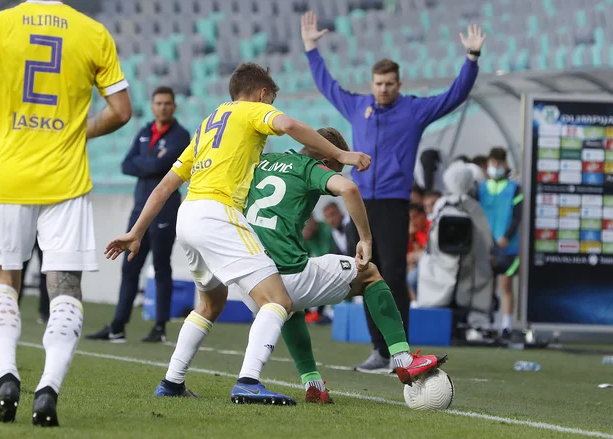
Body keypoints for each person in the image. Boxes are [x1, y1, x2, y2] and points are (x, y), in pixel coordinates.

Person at [103, 63, 370, 406]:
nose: (271, 105)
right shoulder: (251, 111)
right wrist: (339, 153)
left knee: (210, 303)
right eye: (270, 99)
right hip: (219, 215)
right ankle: (248, 381)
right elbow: (288, 125)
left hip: (189, 216)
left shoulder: (207, 126)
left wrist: (136, 231)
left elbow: (166, 185)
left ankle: (171, 382)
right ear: (262, 95)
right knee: (278, 301)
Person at [156, 127, 446, 403]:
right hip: (286, 273)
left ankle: (313, 383)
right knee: (368, 273)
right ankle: (402, 358)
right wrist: (365, 239)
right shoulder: (310, 168)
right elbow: (348, 190)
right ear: (325, 159)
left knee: (289, 307)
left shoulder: (263, 161)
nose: (334, 174)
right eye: (335, 167)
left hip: (247, 277)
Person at [301, 11, 485, 372]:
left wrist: (472, 59)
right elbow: (328, 85)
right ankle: (379, 352)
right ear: (372, 84)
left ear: (398, 84)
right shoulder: (357, 106)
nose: (383, 88)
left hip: (392, 204)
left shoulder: (414, 110)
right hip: (359, 202)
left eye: (389, 83)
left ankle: (400, 352)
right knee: (363, 274)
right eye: (378, 83)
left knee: (395, 277)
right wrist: (311, 48)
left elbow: (455, 95)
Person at [0, 0, 132, 426]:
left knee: (1, 280)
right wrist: (75, 131)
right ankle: (48, 389)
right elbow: (121, 111)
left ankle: (8, 378)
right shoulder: (92, 33)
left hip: (7, 177)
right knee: (64, 288)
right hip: (66, 181)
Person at [86, 87, 190, 343]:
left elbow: (152, 165)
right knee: (129, 266)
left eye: (168, 103)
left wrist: (147, 164)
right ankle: (118, 325)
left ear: (174, 106)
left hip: (165, 210)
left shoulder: (181, 135)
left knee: (161, 265)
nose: (163, 107)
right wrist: (153, 163)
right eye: (159, 103)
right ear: (152, 106)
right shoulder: (145, 133)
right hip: (139, 209)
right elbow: (126, 164)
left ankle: (160, 327)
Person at [478, 147, 522, 338]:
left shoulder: (514, 188)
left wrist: (506, 236)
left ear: (505, 164)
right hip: (485, 245)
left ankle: (506, 325)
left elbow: (517, 216)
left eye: (498, 163)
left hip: (508, 245)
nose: (495, 167)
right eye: (492, 163)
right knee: (488, 286)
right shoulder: (481, 188)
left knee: (506, 285)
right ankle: (490, 323)